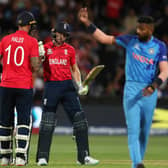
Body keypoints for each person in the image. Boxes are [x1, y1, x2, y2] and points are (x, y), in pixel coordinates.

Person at [78, 8, 168, 168]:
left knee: (144, 132)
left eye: (142, 29)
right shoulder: (130, 40)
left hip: (150, 91)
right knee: (133, 129)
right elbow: (104, 38)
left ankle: (138, 162)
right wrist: (87, 22)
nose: (138, 31)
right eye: (138, 28)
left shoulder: (160, 46)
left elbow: (165, 70)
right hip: (131, 90)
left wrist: (154, 86)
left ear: (151, 30)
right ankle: (137, 163)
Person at [36, 22, 99, 166]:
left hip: (67, 87)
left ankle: (83, 157)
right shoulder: (44, 48)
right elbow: (36, 68)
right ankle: (42, 157)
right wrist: (39, 57)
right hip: (51, 86)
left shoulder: (70, 49)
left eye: (64, 35)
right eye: (60, 34)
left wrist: (80, 85)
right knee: (47, 123)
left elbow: (75, 69)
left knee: (80, 120)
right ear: (54, 32)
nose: (62, 37)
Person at [0, 11, 40, 166]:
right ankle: (21, 158)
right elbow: (36, 67)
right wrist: (40, 57)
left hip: (6, 85)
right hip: (23, 86)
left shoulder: (5, 40)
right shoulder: (32, 42)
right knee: (23, 122)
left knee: (4, 122)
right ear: (29, 26)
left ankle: (4, 157)